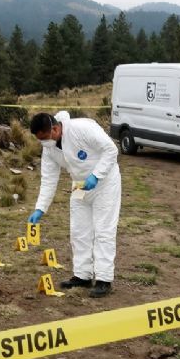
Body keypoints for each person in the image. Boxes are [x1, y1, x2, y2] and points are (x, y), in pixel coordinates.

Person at [28, 111, 121, 297]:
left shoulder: (83, 128)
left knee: (103, 230)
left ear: (54, 129)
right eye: (40, 140)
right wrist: (40, 208)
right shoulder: (49, 149)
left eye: (45, 138)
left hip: (104, 184)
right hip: (79, 186)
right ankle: (82, 275)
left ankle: (104, 279)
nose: (43, 144)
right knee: (79, 231)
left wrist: (97, 175)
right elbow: (48, 179)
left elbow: (111, 150)